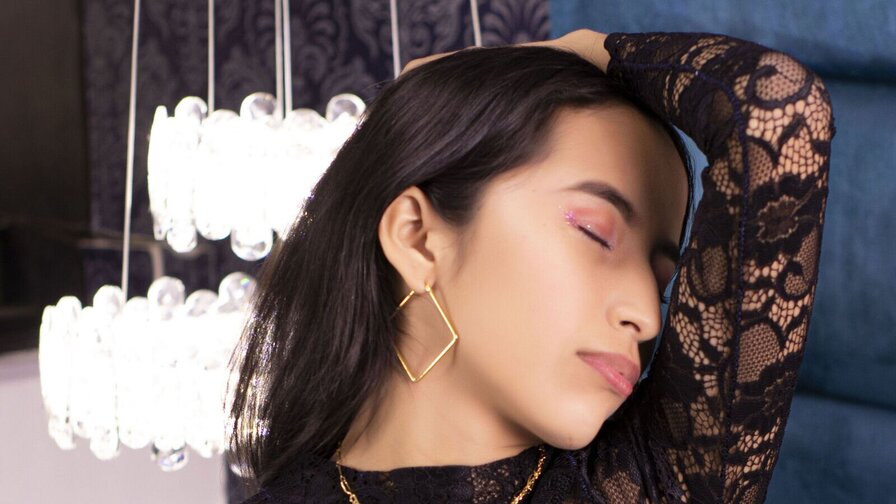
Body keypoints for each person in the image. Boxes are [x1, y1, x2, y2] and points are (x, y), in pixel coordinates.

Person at [228, 27, 835, 503]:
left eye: (661, 283)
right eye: (596, 233)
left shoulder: (656, 481)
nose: (648, 317)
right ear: (417, 239)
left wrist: (573, 49)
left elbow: (779, 114)